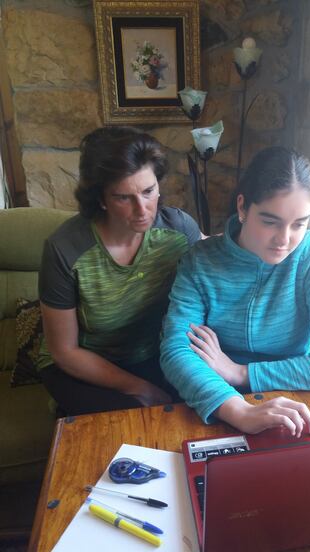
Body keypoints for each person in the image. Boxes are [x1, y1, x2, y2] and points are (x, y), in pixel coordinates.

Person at [161, 146, 310, 436]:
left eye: (299, 224)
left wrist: (241, 373)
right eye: (270, 221)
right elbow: (176, 349)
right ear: (242, 207)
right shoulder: (200, 260)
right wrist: (239, 409)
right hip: (216, 400)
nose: (284, 239)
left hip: (298, 396)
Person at [37, 126, 201, 415]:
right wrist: (139, 387)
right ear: (100, 199)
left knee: (195, 412)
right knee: (121, 424)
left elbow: (219, 259)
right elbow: (64, 351)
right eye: (123, 197)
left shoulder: (179, 231)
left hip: (152, 354)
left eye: (149, 191)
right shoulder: (64, 249)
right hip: (82, 364)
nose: (143, 209)